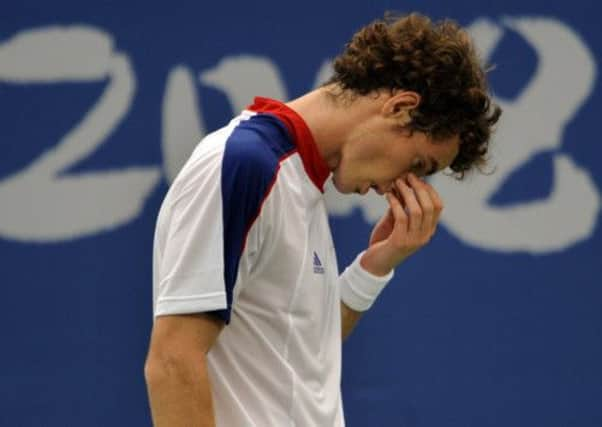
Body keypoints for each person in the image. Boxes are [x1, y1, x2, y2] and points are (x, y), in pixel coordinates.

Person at [144, 12, 501, 427]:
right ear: (401, 107)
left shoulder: (298, 180)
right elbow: (172, 362)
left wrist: (375, 266)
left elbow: (302, 354)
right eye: (418, 163)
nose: (401, 186)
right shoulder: (245, 165)